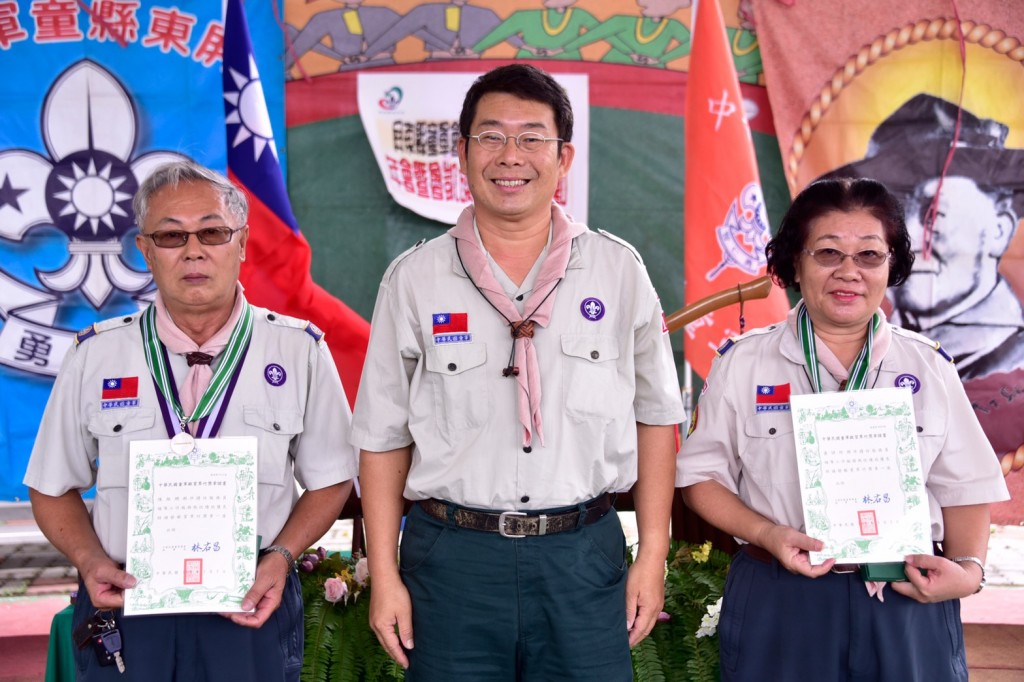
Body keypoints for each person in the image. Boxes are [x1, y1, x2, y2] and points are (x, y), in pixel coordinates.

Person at [352, 63, 684, 680]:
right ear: (461, 151)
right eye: (492, 136)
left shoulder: (618, 270)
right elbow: (381, 435)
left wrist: (653, 558)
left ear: (564, 157)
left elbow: (657, 417)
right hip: (452, 561)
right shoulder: (415, 279)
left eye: (532, 137)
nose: (512, 156)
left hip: (581, 556)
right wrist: (386, 575)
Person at [23, 160, 356, 681]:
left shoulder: (298, 351)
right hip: (129, 606)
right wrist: (89, 559)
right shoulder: (96, 355)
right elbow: (51, 484)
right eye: (172, 236)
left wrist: (282, 557)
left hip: (250, 603)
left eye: (213, 232)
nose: (195, 250)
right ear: (145, 250)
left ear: (242, 242)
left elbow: (331, 478)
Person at [678, 177, 1010, 681]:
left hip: (905, 595)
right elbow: (700, 478)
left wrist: (967, 573)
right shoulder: (743, 364)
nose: (849, 272)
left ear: (892, 265)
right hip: (781, 595)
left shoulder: (928, 367)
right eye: (828, 252)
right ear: (795, 261)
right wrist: (768, 533)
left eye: (870, 256)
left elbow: (964, 487)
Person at [830, 93, 1024, 381]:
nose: (909, 239)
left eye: (934, 215)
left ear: (999, 229)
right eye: (890, 219)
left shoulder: (1013, 364)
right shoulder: (852, 362)